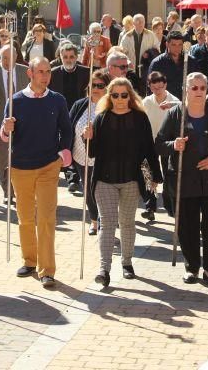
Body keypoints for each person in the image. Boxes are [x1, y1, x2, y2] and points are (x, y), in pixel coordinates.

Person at [155, 72, 208, 287]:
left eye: (202, 88)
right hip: (184, 181)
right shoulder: (175, 115)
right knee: (187, 228)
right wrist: (174, 145)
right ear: (185, 90)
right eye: (194, 88)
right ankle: (191, 267)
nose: (199, 92)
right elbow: (159, 144)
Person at [1, 57, 73, 288]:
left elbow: (67, 130)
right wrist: (6, 128)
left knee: (46, 218)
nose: (45, 76)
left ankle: (47, 270)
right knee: (25, 218)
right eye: (40, 71)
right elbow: (5, 135)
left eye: (48, 71)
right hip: (20, 166)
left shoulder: (57, 100)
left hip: (48, 166)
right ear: (30, 73)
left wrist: (63, 153)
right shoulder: (15, 101)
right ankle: (30, 260)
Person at [82, 77, 162, 287]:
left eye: (123, 95)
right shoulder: (101, 118)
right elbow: (93, 154)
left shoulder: (139, 118)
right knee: (107, 224)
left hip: (130, 180)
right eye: (115, 95)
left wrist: (155, 176)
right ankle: (104, 268)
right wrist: (87, 138)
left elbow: (149, 149)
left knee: (127, 223)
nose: (119, 99)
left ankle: (126, 262)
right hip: (104, 180)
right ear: (110, 96)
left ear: (130, 96)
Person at [0, 45, 29, 202]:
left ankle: (21, 191)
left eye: (10, 58)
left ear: (16, 57)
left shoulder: (25, 72)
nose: (6, 61)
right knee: (4, 160)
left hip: (23, 126)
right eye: (3, 58)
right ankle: (8, 193)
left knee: (21, 160)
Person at [68, 69, 108, 228]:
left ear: (107, 87)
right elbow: (68, 126)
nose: (96, 89)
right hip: (80, 157)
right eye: (93, 85)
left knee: (102, 193)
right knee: (88, 192)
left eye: (100, 85)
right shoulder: (80, 105)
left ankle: (104, 222)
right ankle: (93, 220)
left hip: (102, 159)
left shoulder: (111, 107)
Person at [142, 71, 179, 217]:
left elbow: (185, 107)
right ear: (150, 87)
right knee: (147, 173)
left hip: (166, 143)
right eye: (154, 88)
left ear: (165, 85)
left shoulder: (174, 101)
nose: (157, 91)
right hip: (149, 142)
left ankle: (169, 204)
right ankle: (150, 206)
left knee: (168, 173)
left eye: (160, 88)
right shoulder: (146, 102)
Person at [146, 31, 198, 99]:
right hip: (165, 103)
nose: (177, 48)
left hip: (187, 102)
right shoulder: (157, 63)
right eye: (173, 45)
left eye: (180, 44)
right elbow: (150, 87)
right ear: (167, 44)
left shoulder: (190, 61)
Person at [120, 14, 160, 94]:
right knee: (133, 92)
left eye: (142, 22)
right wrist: (127, 61)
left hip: (146, 69)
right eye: (138, 22)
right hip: (131, 70)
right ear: (133, 23)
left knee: (145, 92)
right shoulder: (127, 36)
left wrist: (149, 53)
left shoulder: (151, 35)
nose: (140, 24)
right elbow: (121, 52)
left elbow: (157, 49)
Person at [49, 41, 90, 109]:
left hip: (80, 110)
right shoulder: (53, 74)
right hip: (59, 110)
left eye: (71, 57)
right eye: (65, 57)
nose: (68, 60)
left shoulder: (86, 72)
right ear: (61, 58)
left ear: (76, 57)